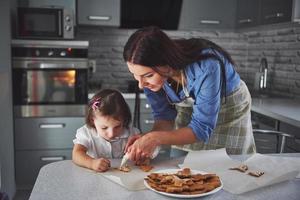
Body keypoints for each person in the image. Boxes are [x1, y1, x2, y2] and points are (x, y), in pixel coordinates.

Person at [123, 26, 256, 162]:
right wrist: (148, 139)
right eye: (135, 75)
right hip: (190, 114)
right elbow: (164, 117)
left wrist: (155, 138)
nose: (141, 84)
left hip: (229, 110)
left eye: (148, 75)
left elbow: (201, 129)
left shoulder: (207, 66)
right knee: (180, 166)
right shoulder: (150, 79)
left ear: (167, 63)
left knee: (229, 168)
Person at [72, 89, 140, 172]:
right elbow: (76, 154)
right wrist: (91, 163)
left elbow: (146, 151)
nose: (111, 134)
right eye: (104, 128)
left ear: (124, 120)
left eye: (117, 126)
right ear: (92, 120)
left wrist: (142, 158)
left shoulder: (132, 133)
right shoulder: (86, 133)